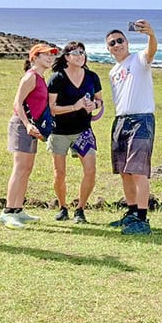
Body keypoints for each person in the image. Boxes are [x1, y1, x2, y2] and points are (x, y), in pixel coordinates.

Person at [105, 21, 158, 235]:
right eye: (112, 43)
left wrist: (150, 34)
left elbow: (151, 50)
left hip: (141, 120)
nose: (117, 44)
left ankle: (142, 220)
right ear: (108, 49)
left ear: (127, 42)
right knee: (124, 171)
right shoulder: (113, 72)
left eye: (120, 40)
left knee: (138, 171)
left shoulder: (138, 59)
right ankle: (131, 213)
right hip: (121, 121)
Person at [1, 43, 58, 229]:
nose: (50, 58)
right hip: (22, 125)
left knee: (27, 169)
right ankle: (8, 211)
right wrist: (27, 125)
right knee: (19, 169)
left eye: (52, 55)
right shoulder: (30, 77)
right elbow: (17, 103)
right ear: (34, 57)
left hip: (32, 127)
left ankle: (18, 209)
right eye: (45, 55)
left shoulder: (41, 77)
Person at [47, 42, 103, 224]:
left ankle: (80, 209)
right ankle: (63, 207)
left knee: (90, 170)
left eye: (83, 52)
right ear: (66, 57)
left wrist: (93, 105)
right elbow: (51, 109)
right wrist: (75, 106)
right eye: (76, 53)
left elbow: (100, 101)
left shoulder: (92, 77)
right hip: (59, 132)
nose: (80, 56)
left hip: (83, 131)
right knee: (59, 173)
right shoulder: (57, 78)